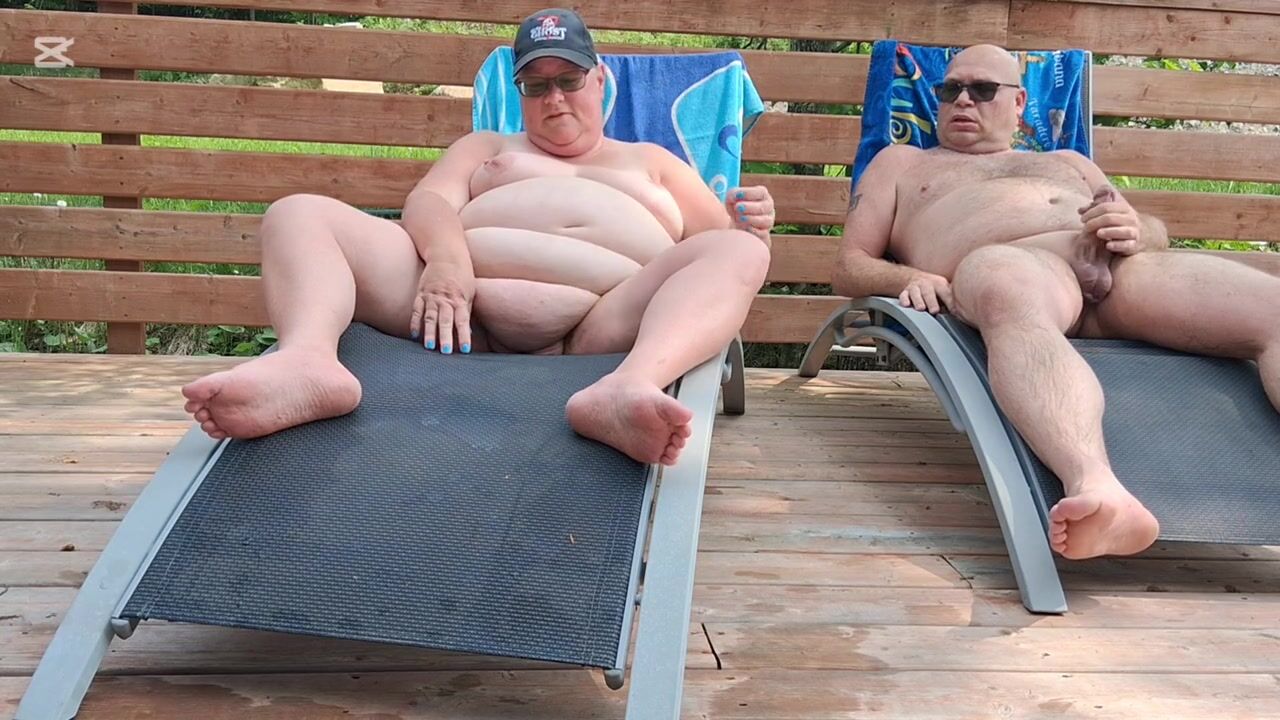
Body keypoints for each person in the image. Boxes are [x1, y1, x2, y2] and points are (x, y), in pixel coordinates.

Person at [182, 8, 775, 467]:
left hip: (602, 325)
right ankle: (307, 362)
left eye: (569, 79)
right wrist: (447, 263)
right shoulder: (488, 147)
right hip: (456, 313)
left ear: (600, 79)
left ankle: (630, 386)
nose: (554, 98)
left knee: (741, 250)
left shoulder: (655, 163)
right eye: (535, 86)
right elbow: (429, 202)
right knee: (298, 213)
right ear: (519, 92)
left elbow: (723, 258)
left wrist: (755, 227)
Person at [832, 44, 1280, 560]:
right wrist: (911, 276)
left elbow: (1149, 231)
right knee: (1005, 288)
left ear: (1020, 102)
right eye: (950, 89)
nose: (963, 101)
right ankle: (1096, 488)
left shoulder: (1069, 161)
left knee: (1271, 306)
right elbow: (849, 265)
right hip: (1018, 264)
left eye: (982, 89)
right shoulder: (903, 163)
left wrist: (1137, 228)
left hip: (1121, 269)